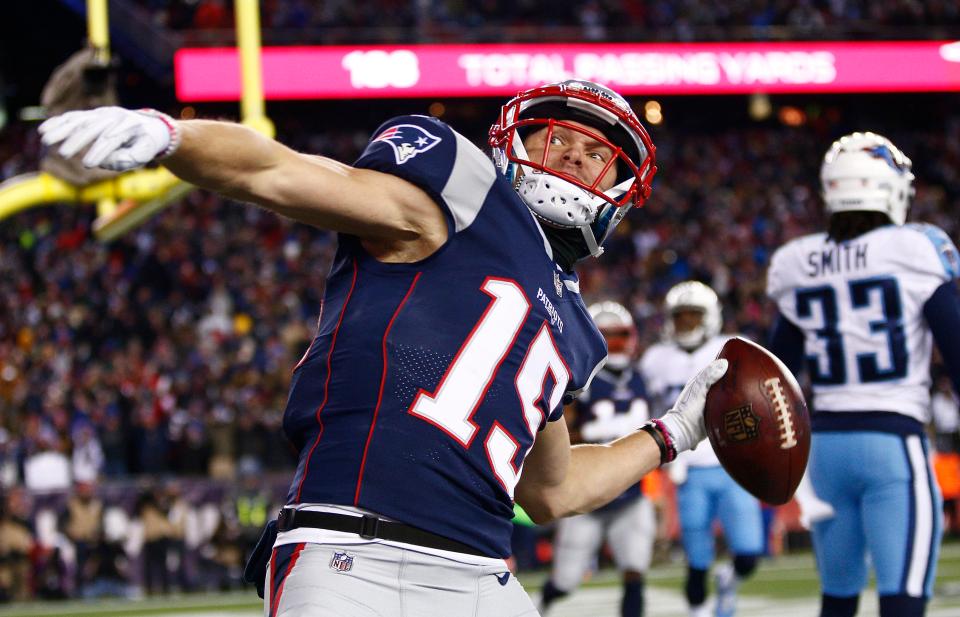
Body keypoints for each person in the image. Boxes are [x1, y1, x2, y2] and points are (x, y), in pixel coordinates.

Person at [39, 79, 729, 616]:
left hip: (485, 570)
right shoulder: (461, 197)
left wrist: (674, 431)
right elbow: (280, 173)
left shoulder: (573, 321)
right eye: (561, 138)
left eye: (599, 152)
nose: (577, 155)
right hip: (353, 552)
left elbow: (552, 489)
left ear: (621, 186)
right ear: (518, 141)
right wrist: (168, 136)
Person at [765, 132, 960, 617]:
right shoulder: (915, 248)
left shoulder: (799, 261)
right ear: (890, 189)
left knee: (838, 601)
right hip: (892, 442)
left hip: (824, 451)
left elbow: (775, 367)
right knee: (903, 598)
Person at [639, 281, 763, 617]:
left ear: (710, 317)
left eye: (694, 316)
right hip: (686, 468)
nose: (687, 324)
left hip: (731, 464)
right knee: (696, 559)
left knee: (750, 554)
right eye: (681, 317)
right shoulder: (655, 359)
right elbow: (644, 406)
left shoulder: (734, 348)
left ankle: (730, 580)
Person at [538, 301, 656, 617]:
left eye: (620, 337)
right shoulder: (579, 381)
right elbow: (559, 436)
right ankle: (545, 601)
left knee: (635, 573)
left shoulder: (643, 377)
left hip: (630, 494)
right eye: (608, 338)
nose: (615, 345)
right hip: (586, 493)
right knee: (566, 581)